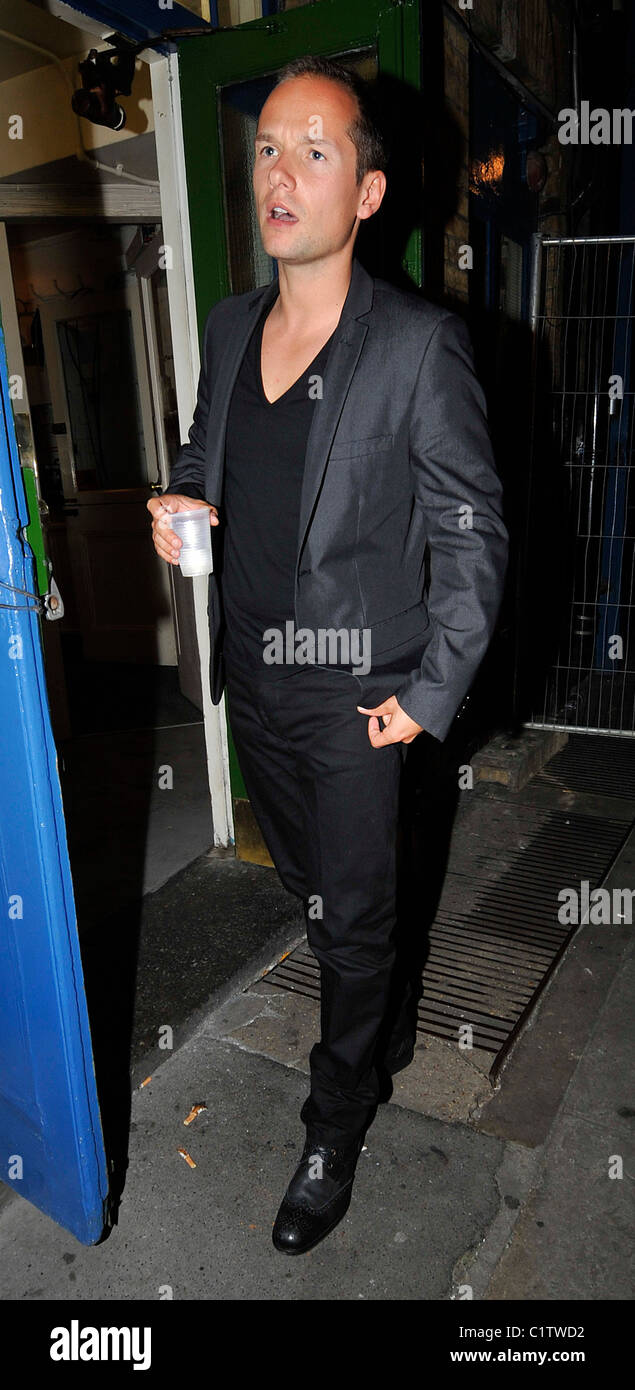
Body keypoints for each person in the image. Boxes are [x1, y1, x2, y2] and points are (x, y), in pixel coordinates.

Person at [148, 55, 509, 1256]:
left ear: (364, 192)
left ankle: (333, 1118)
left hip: (362, 693)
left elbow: (470, 527)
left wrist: (429, 689)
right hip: (250, 674)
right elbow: (206, 448)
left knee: (349, 921)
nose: (280, 170)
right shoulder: (229, 321)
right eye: (265, 147)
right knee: (315, 892)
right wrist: (182, 501)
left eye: (314, 149)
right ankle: (385, 999)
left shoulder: (414, 344)